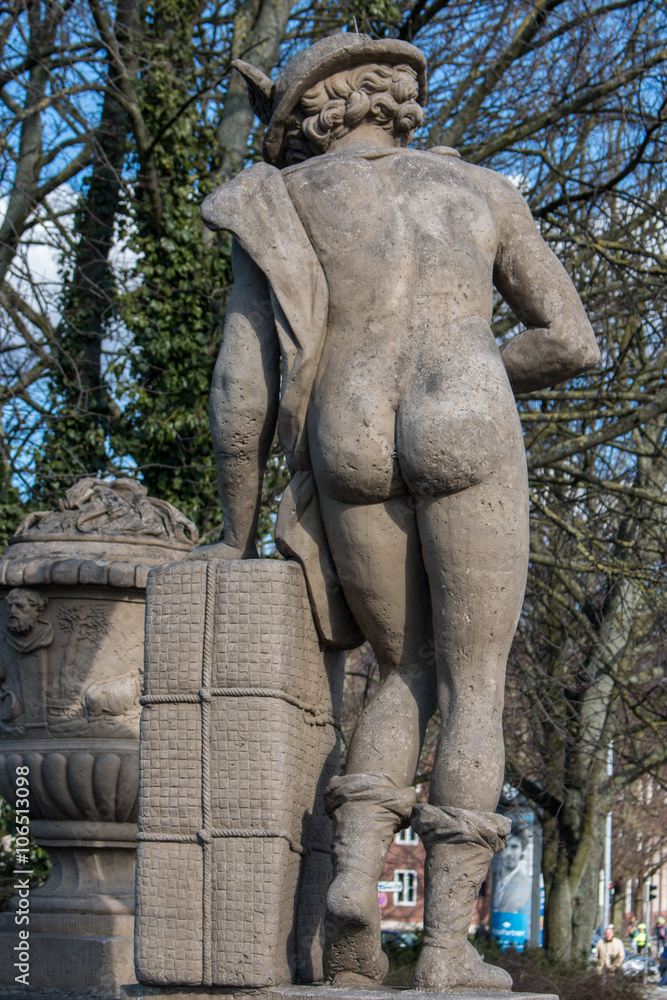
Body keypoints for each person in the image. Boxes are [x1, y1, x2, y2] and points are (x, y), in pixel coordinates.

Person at [196, 32, 599, 992]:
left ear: (306, 118)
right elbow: (571, 340)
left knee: (401, 666)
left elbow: (239, 391)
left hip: (350, 424)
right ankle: (447, 954)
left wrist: (234, 533)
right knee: (471, 682)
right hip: (465, 406)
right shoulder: (484, 193)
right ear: (395, 102)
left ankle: (352, 889)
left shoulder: (282, 202)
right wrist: (474, 385)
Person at [494, 819, 531, 913]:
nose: (509, 853)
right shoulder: (494, 879)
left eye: (514, 847)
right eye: (506, 846)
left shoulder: (525, 885)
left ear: (522, 851)